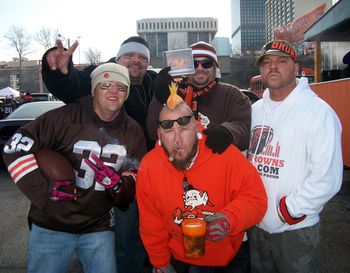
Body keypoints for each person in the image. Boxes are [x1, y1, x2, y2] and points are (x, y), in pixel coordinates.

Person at [2, 63, 146, 273]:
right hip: (52, 225)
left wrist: (121, 187)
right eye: (105, 85)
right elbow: (14, 147)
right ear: (93, 89)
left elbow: (135, 177)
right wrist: (44, 192)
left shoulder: (133, 130)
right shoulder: (63, 118)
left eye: (121, 87)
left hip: (99, 225)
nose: (113, 91)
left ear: (126, 93)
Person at [41, 36, 156, 273]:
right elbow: (72, 83)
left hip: (139, 176)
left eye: (142, 57)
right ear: (117, 58)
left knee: (134, 236)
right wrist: (59, 72)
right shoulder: (101, 74)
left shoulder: (153, 83)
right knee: (104, 240)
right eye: (129, 55)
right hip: (100, 176)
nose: (136, 61)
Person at [136, 96, 267, 273]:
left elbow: (256, 198)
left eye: (184, 129)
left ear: (197, 128)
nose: (177, 140)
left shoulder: (225, 155)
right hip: (179, 257)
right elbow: (151, 223)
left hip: (227, 257)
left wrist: (228, 219)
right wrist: (160, 262)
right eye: (168, 131)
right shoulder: (149, 167)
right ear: (159, 135)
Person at [247, 40, 343, 273]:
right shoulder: (255, 110)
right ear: (260, 69)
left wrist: (287, 210)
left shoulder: (318, 113)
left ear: (296, 68)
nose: (273, 67)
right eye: (267, 62)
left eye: (282, 61)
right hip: (256, 226)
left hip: (295, 229)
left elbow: (327, 179)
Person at [147, 41, 251, 154]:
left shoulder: (232, 94)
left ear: (215, 67)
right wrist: (159, 98)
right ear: (187, 68)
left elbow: (244, 129)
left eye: (206, 63)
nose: (200, 68)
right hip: (178, 166)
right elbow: (153, 132)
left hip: (216, 166)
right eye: (194, 63)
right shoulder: (173, 93)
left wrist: (228, 131)